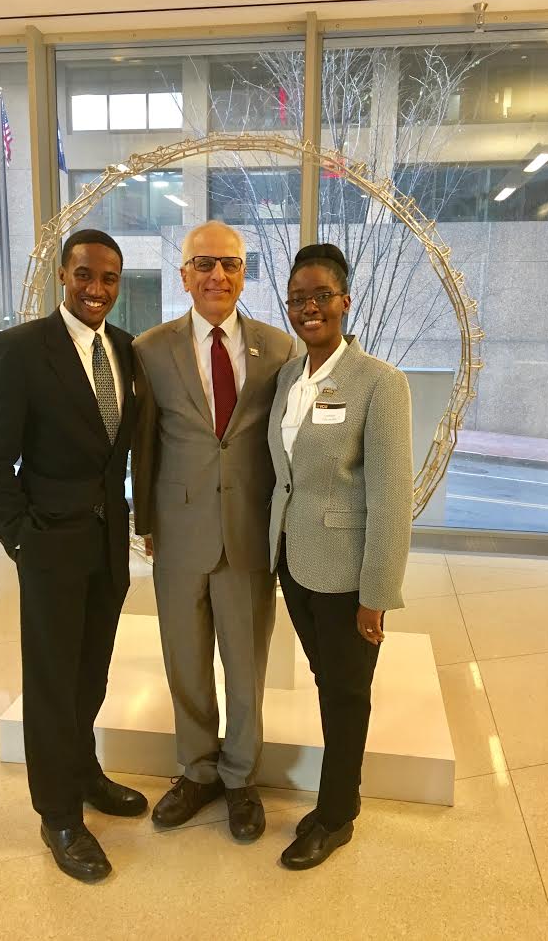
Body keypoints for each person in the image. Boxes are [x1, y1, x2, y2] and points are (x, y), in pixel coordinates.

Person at [0, 229, 147, 883]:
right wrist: (20, 536)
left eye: (108, 278)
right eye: (84, 276)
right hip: (48, 541)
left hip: (107, 542)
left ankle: (83, 769)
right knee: (50, 682)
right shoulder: (21, 350)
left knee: (91, 672)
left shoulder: (127, 350)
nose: (96, 289)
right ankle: (59, 815)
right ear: (63, 277)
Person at [132, 220, 295, 842]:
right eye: (204, 264)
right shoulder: (151, 349)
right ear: (184, 275)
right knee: (185, 659)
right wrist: (145, 520)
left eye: (229, 265)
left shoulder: (279, 350)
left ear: (244, 274)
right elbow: (143, 446)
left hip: (249, 534)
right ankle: (196, 770)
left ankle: (239, 778)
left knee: (246, 664)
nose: (217, 276)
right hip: (176, 533)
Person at [268, 243, 413, 870]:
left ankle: (337, 816)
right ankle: (333, 800)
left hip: (348, 574)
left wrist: (377, 592)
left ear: (345, 301)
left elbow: (390, 496)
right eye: (299, 298)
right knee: (331, 687)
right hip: (294, 564)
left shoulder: (380, 383)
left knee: (347, 694)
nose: (309, 308)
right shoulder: (288, 380)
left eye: (321, 295)